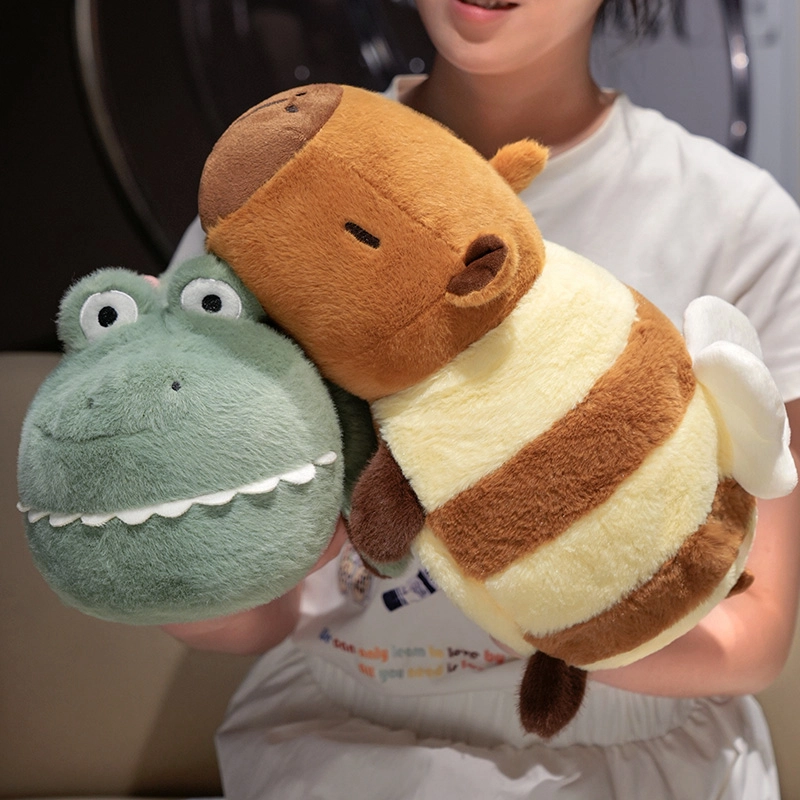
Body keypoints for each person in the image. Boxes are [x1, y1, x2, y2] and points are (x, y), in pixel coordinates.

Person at [165, 1, 800, 797]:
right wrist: (177, 557)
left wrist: (546, 594)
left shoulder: (740, 220)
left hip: (644, 759)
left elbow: (753, 637)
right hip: (342, 744)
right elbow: (253, 611)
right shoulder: (277, 191)